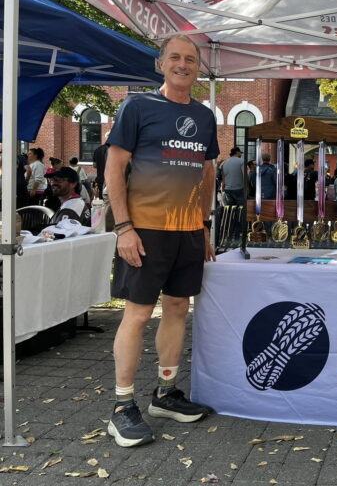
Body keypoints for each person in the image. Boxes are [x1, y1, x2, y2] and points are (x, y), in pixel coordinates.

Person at [106, 34, 218, 448]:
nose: (182, 64)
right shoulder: (137, 107)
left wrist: (203, 225)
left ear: (198, 68)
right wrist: (124, 228)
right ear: (161, 63)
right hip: (145, 230)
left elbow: (207, 172)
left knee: (176, 309)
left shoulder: (204, 116)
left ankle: (165, 394)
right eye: (175, 57)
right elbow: (114, 167)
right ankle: (122, 407)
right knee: (137, 314)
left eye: (190, 59)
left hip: (188, 231)